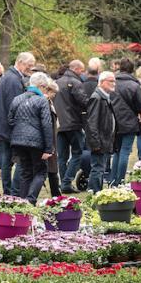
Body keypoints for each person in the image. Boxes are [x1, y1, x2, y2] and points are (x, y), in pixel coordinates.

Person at [8, 72, 53, 203]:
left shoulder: (17, 98)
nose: (46, 90)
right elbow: (46, 124)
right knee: (41, 172)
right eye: (45, 88)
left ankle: (23, 203)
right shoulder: (42, 100)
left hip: (18, 141)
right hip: (36, 142)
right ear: (41, 86)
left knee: (25, 172)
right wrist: (48, 148)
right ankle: (31, 200)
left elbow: (10, 120)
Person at [0, 52, 35, 195]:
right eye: (29, 66)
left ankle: (9, 191)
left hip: (5, 126)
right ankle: (14, 191)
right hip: (11, 128)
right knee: (19, 161)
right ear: (21, 62)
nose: (30, 69)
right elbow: (16, 106)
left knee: (6, 161)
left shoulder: (8, 76)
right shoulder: (13, 79)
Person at [109, 59, 141, 186]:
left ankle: (113, 180)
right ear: (132, 69)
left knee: (117, 152)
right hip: (129, 122)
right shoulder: (134, 85)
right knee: (124, 151)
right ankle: (120, 180)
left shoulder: (111, 83)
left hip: (114, 121)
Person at [53, 59, 88, 193]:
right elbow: (83, 101)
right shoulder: (75, 82)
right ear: (77, 69)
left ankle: (63, 182)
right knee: (77, 153)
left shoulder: (56, 82)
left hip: (59, 124)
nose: (83, 72)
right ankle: (67, 182)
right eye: (82, 70)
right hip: (73, 123)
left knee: (62, 156)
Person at [86, 71, 117, 193]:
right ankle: (94, 194)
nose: (114, 83)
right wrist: (96, 144)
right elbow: (92, 123)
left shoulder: (104, 97)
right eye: (111, 81)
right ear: (102, 82)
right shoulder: (97, 97)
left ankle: (96, 193)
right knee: (98, 169)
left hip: (104, 141)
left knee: (100, 168)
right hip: (100, 141)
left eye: (114, 81)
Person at [43, 80, 61, 196]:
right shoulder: (45, 103)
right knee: (50, 170)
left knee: (53, 169)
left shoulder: (49, 102)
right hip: (49, 141)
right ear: (48, 91)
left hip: (52, 139)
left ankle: (56, 194)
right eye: (54, 93)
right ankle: (56, 194)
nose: (54, 95)